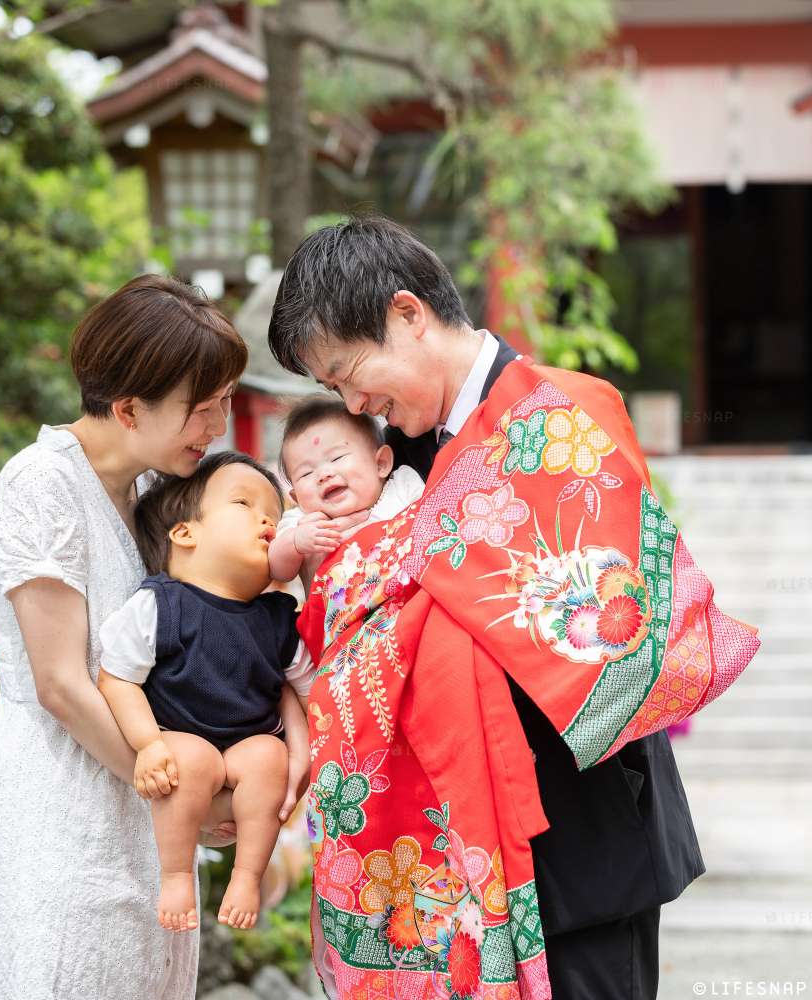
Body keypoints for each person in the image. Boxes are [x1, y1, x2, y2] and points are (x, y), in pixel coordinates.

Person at [267, 217, 760, 1000]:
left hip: (584, 836)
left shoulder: (564, 413)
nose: (355, 401)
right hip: (459, 865)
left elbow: (620, 635)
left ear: (407, 313)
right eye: (333, 390)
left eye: (348, 371)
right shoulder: (395, 461)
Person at [0, 275, 308, 1000]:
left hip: (151, 808)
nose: (215, 428)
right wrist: (185, 797)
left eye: (223, 405)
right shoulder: (40, 485)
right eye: (200, 411)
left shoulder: (154, 497)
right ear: (127, 408)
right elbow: (60, 683)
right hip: (58, 805)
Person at [96, 451, 314, 934]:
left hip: (249, 741)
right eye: (244, 503)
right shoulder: (162, 604)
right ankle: (175, 875)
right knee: (189, 761)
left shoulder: (276, 617)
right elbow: (116, 677)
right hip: (181, 735)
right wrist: (148, 744)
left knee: (266, 759)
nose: (266, 519)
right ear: (185, 533)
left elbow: (309, 688)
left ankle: (247, 875)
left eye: (274, 517)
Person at [268, 396, 424, 592]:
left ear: (381, 463)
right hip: (341, 619)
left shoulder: (402, 487)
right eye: (306, 473)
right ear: (297, 498)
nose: (324, 475)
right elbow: (278, 570)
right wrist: (296, 543)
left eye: (337, 458)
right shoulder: (304, 522)